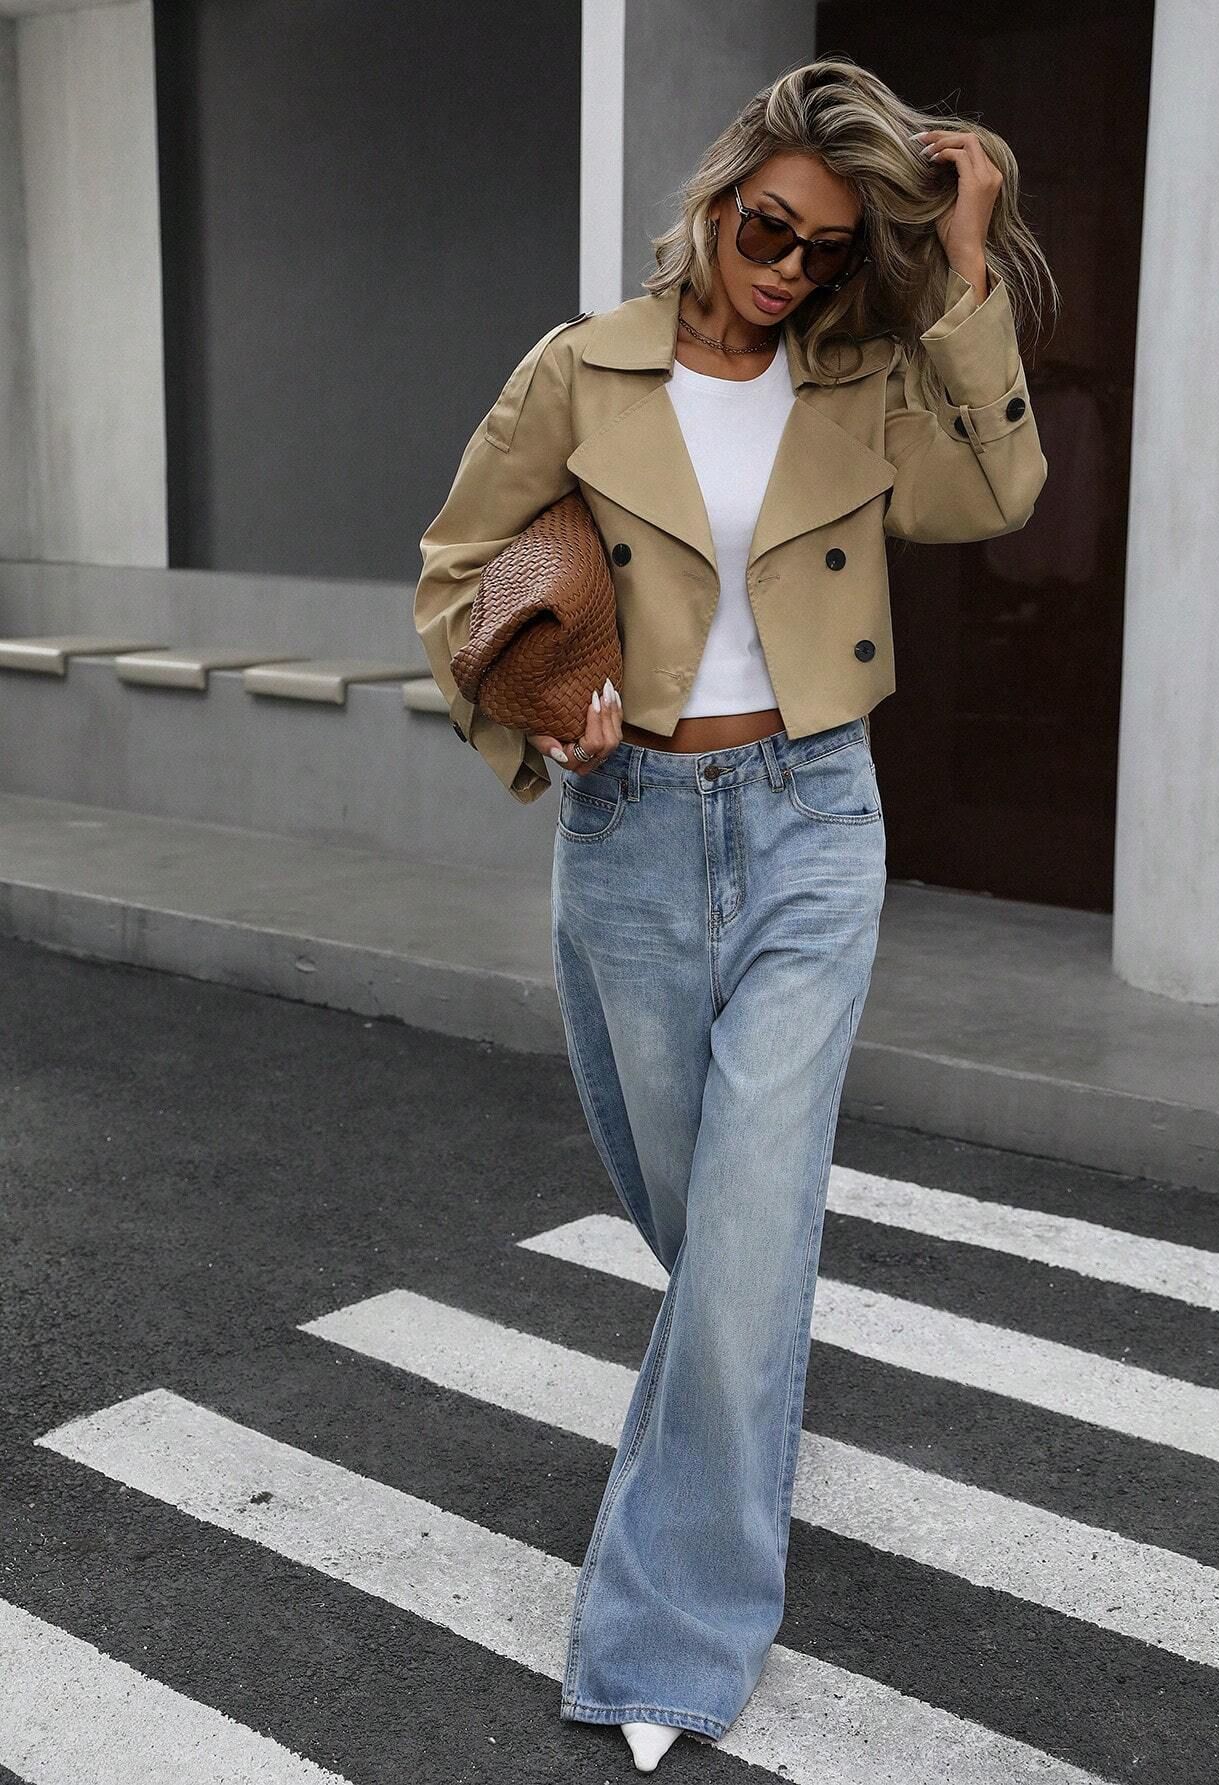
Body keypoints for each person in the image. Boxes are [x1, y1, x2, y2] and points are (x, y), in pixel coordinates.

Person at [413, 55, 1052, 1773]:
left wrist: (967, 261)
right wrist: (538, 720)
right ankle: (744, 1414)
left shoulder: (861, 381)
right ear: (714, 201)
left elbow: (995, 493)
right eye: (769, 229)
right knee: (705, 1222)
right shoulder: (582, 369)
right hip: (629, 824)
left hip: (813, 822)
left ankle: (665, 1641)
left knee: (754, 1227)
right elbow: (454, 575)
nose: (789, 270)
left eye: (828, 250)